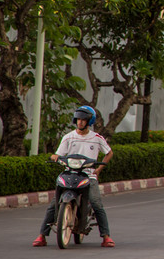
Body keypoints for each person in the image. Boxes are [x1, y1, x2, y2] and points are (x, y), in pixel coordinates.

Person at [33, 106, 115, 247]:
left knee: (96, 203)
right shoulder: (69, 137)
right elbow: (58, 154)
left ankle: (106, 237)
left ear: (89, 121)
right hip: (69, 173)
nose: (80, 122)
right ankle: (42, 236)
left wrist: (99, 169)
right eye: (78, 119)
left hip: (89, 176)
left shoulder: (96, 138)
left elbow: (109, 153)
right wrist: (56, 158)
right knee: (54, 204)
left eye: (83, 120)